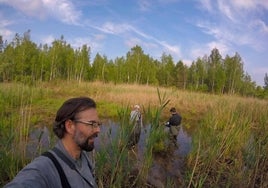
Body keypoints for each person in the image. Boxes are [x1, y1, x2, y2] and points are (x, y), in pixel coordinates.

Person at [5, 97, 101, 188]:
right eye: (92, 124)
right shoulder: (44, 169)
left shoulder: (84, 158)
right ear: (70, 126)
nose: (98, 130)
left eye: (98, 124)